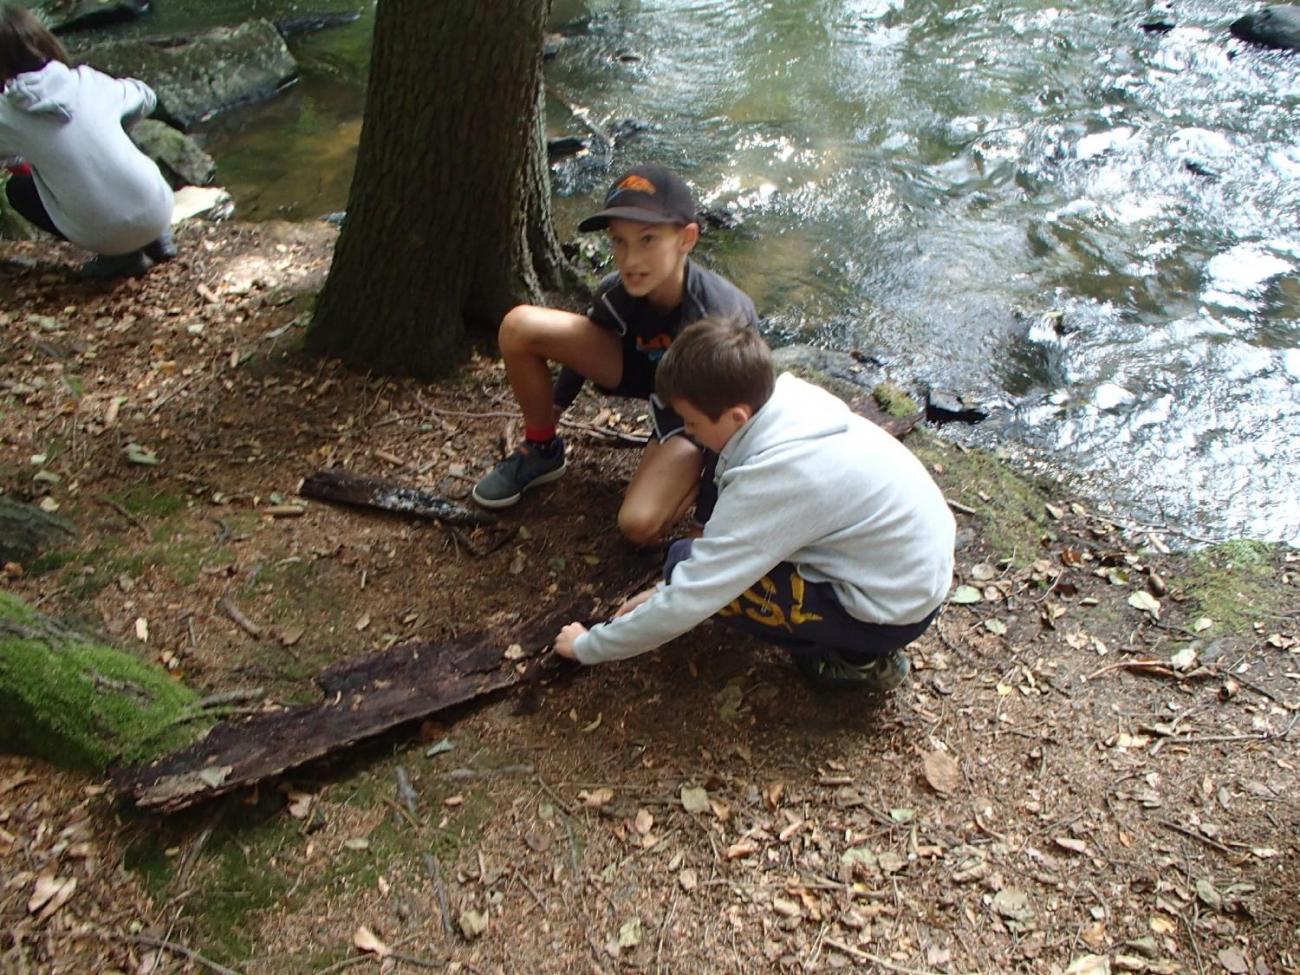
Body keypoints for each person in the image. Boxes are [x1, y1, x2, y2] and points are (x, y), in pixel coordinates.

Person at [552, 317, 955, 691]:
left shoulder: (778, 478)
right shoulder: (787, 402)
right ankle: (855, 640)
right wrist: (664, 589)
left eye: (691, 423)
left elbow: (693, 599)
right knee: (684, 560)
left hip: (893, 610)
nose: (687, 432)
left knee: (701, 578)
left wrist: (590, 646)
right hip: (906, 573)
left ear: (735, 416)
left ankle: (856, 660)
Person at [471, 163, 758, 545]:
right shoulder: (616, 292)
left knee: (638, 526)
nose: (630, 259)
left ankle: (692, 493)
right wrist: (554, 407)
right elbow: (587, 344)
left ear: (686, 238)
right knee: (520, 326)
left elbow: (732, 432)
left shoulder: (720, 319)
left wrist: (704, 522)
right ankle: (541, 450)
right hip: (642, 372)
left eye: (648, 240)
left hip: (692, 417)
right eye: (618, 241)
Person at [0, 3, 175, 279]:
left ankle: (123, 257)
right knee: (119, 123)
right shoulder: (87, 81)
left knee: (19, 189)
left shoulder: (7, 114)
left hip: (104, 236)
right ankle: (156, 239)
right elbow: (146, 97)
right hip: (160, 209)